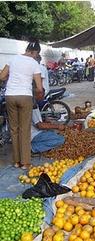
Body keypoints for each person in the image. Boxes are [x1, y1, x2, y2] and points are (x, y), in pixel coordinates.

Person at [0, 40, 44, 169]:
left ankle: (16, 161)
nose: (36, 56)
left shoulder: (13, 59)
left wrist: (13, 79)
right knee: (24, 130)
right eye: (37, 54)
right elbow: (40, 88)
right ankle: (25, 163)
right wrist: (35, 90)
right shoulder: (34, 63)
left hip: (10, 96)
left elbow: (2, 77)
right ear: (35, 52)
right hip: (25, 96)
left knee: (14, 129)